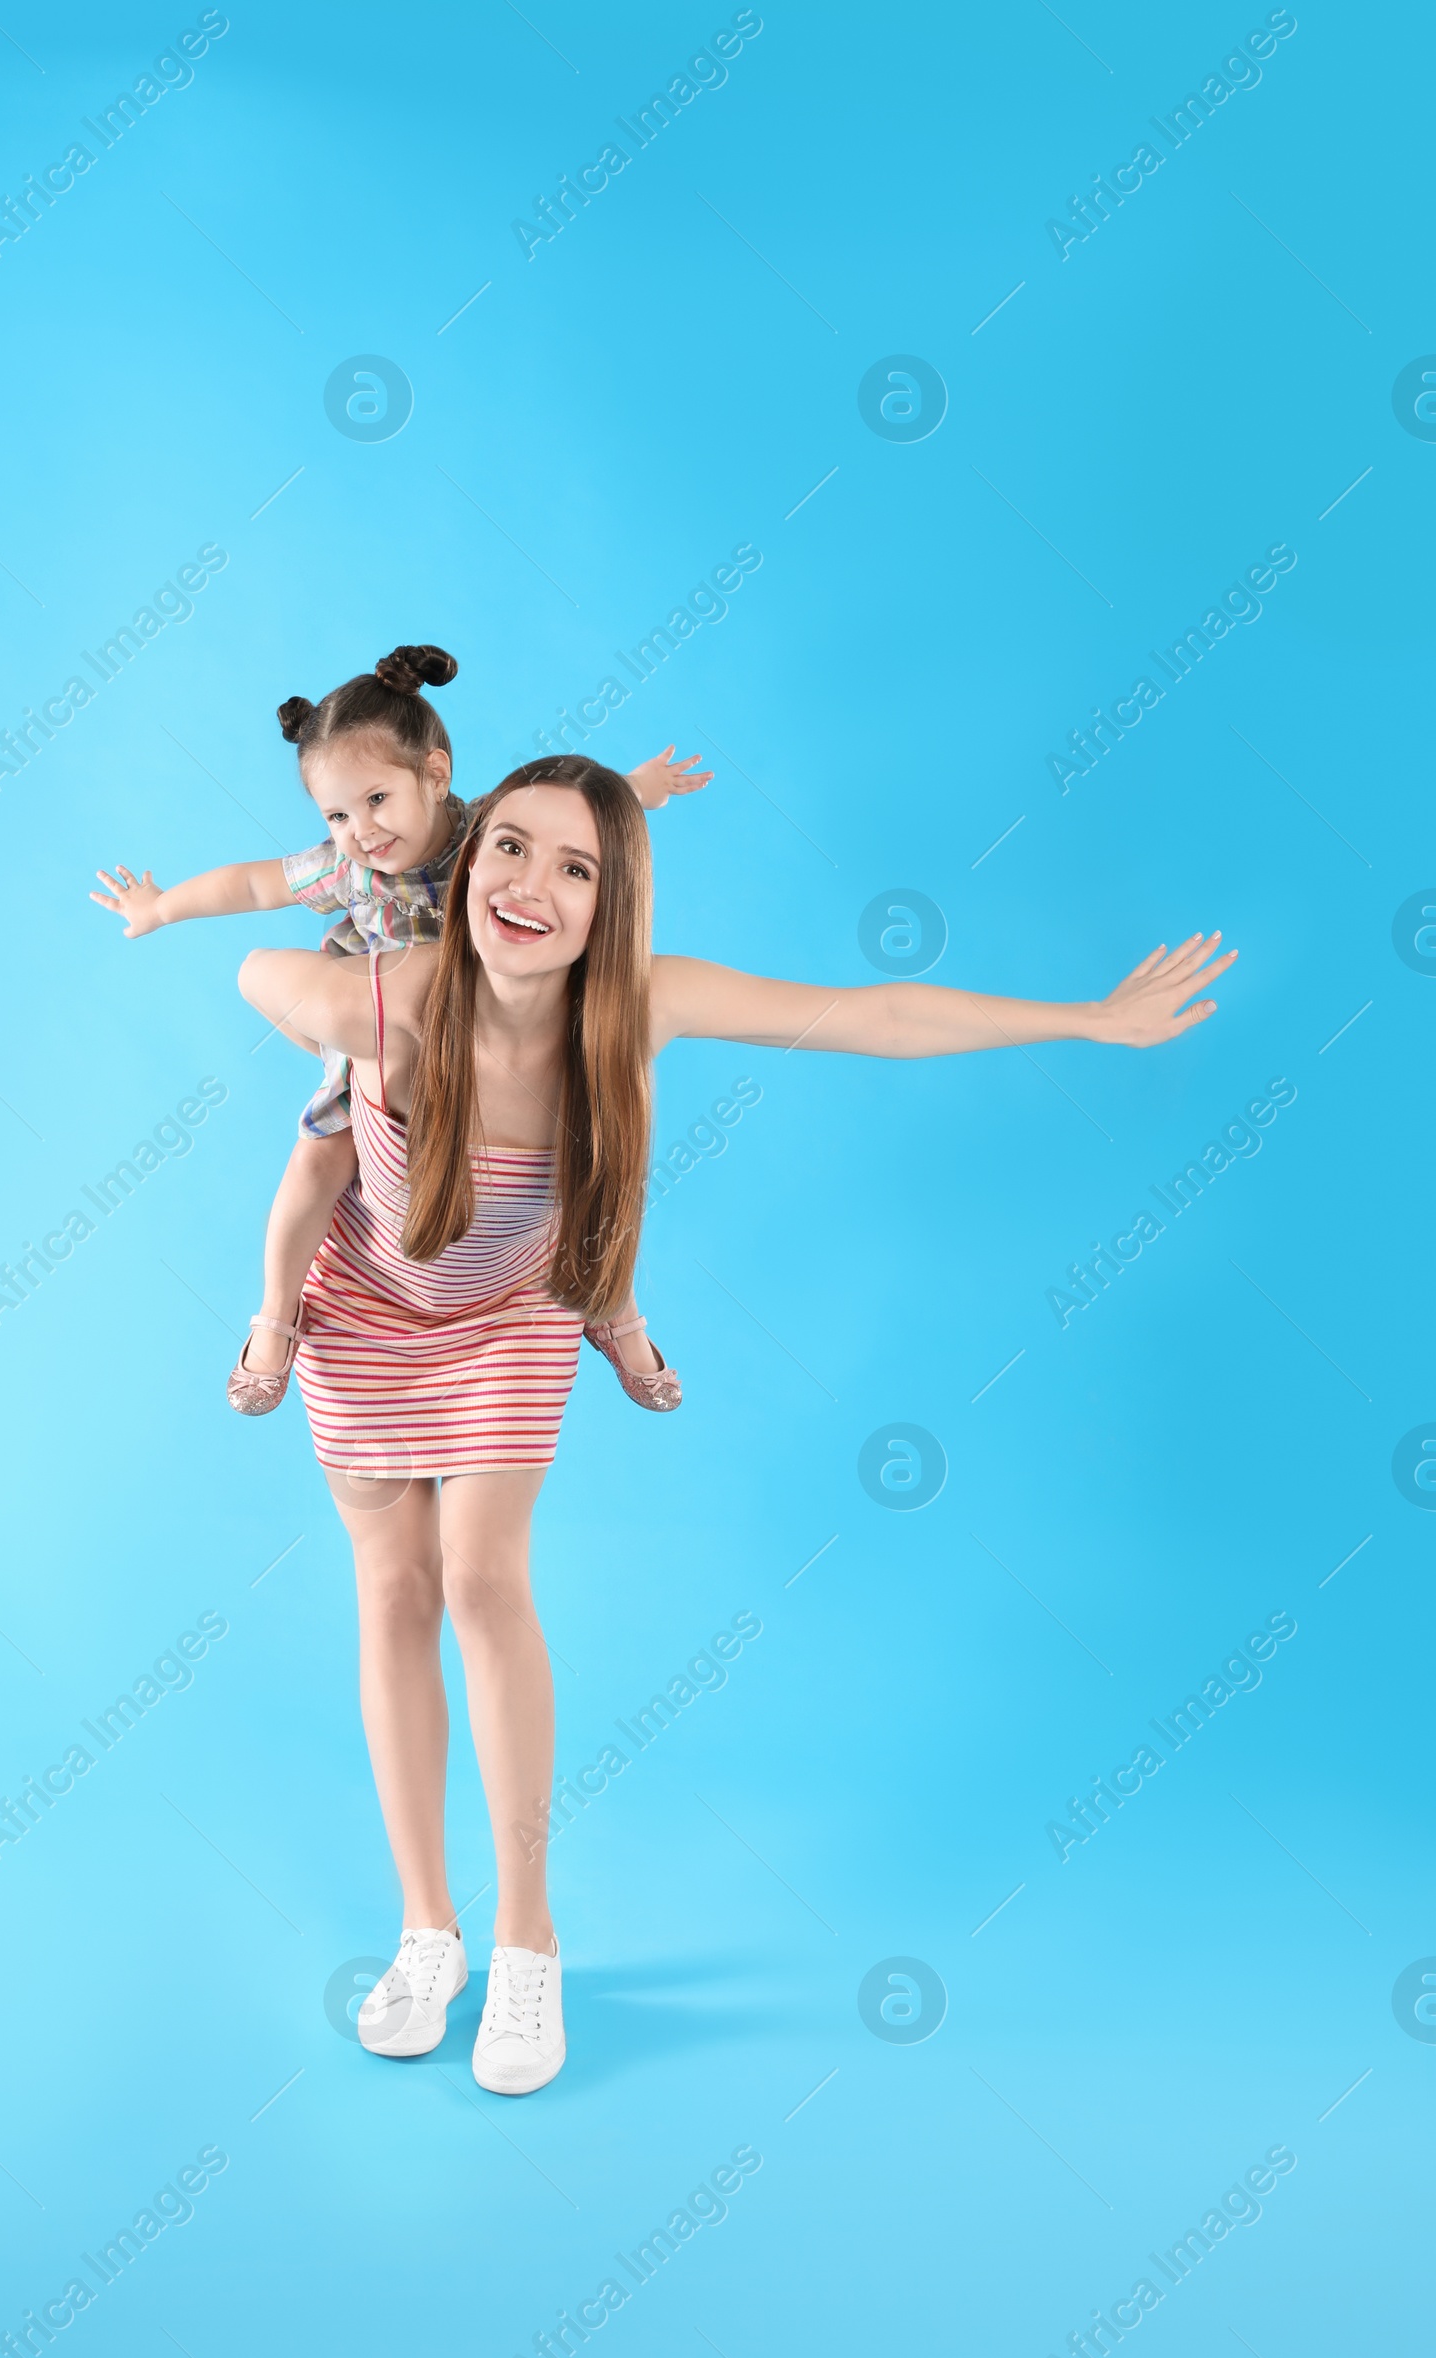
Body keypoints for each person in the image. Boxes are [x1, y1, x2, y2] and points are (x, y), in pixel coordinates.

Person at [237, 754, 1237, 2094]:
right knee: (392, 1592)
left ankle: (528, 1944)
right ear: (464, 864)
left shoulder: (638, 1005)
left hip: (513, 1317)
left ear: (613, 904)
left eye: (577, 867)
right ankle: (431, 1932)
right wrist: (343, 1020)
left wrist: (1084, 1020)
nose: (532, 886)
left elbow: (872, 1014)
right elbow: (257, 979)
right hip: (362, 1304)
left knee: (481, 1580)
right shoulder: (398, 995)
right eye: (511, 851)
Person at [88, 645, 708, 1414]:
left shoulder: (490, 831)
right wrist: (161, 907)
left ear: (436, 776)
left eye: (376, 800)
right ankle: (276, 1318)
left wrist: (636, 790)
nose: (360, 830)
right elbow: (254, 882)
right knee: (316, 1165)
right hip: (386, 1044)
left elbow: (575, 813)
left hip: (508, 1041)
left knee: (595, 1169)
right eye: (337, 814)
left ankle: (615, 1317)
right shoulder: (346, 871)